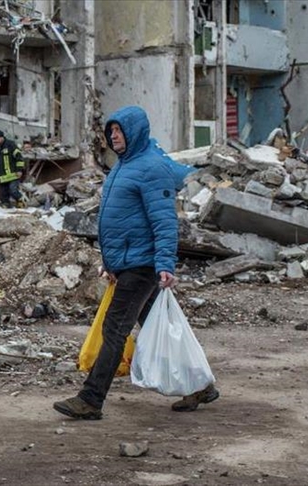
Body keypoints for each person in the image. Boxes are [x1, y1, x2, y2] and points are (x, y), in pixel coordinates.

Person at [53, 105, 219, 420]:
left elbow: (164, 222)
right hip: (128, 262)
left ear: (135, 132)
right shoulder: (123, 166)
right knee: (161, 326)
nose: (114, 136)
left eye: (119, 130)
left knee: (115, 327)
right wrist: (110, 263)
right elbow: (119, 219)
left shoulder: (151, 167)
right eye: (111, 131)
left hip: (142, 264)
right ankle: (200, 385)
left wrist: (165, 264)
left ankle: (90, 399)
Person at [0, 129, 26, 207]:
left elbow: (19, 158)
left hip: (13, 175)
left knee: (13, 190)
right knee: (3, 194)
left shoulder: (10, 145)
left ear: (2, 137)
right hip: (2, 176)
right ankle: (6, 204)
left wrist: (19, 170)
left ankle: (21, 200)